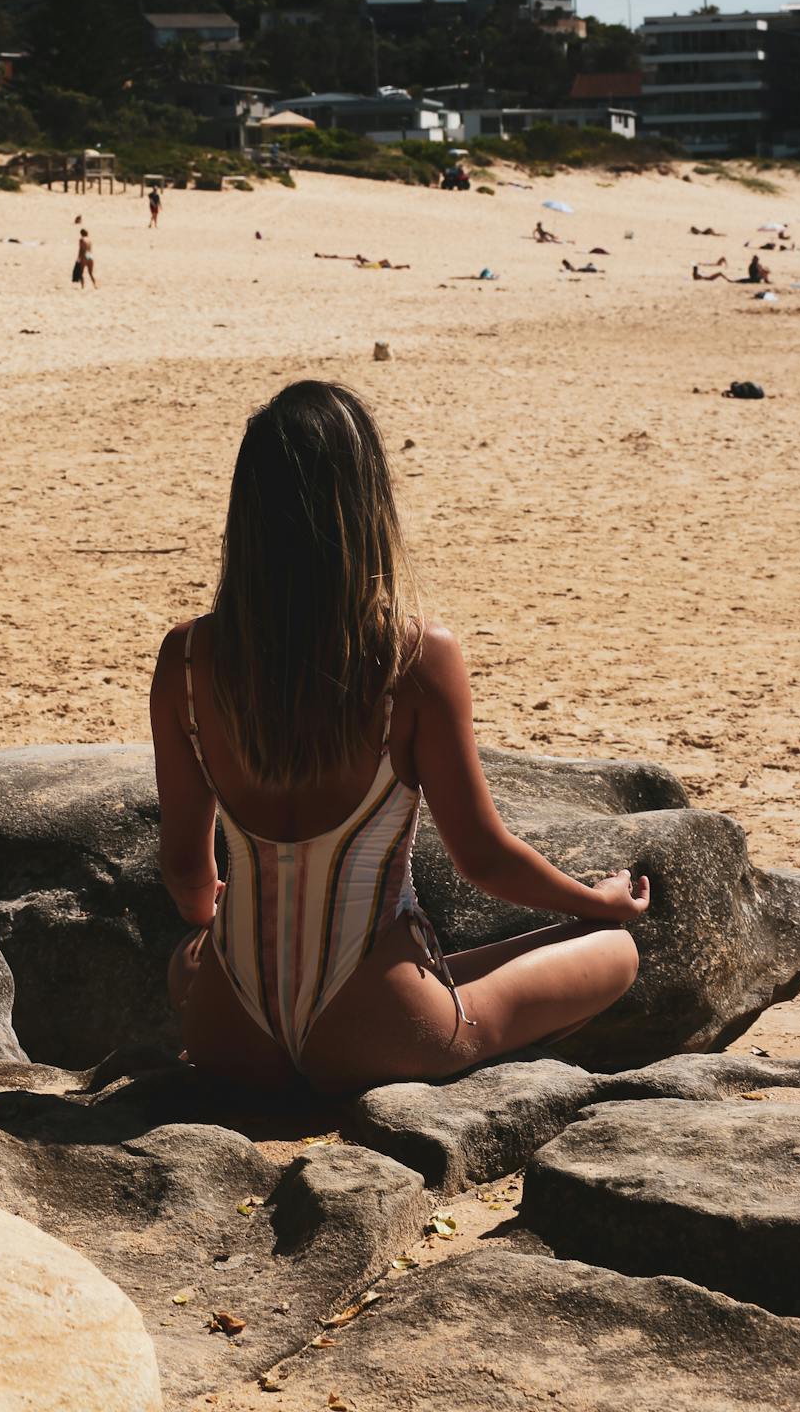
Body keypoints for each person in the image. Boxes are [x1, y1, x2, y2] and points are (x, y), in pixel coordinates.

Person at [151, 381, 646, 1095]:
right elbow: (482, 857)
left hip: (229, 1034)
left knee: (188, 957)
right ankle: (461, 1027)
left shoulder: (189, 659)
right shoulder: (410, 660)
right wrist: (595, 903)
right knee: (612, 952)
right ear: (364, 505)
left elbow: (184, 870)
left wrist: (209, 919)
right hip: (380, 1027)